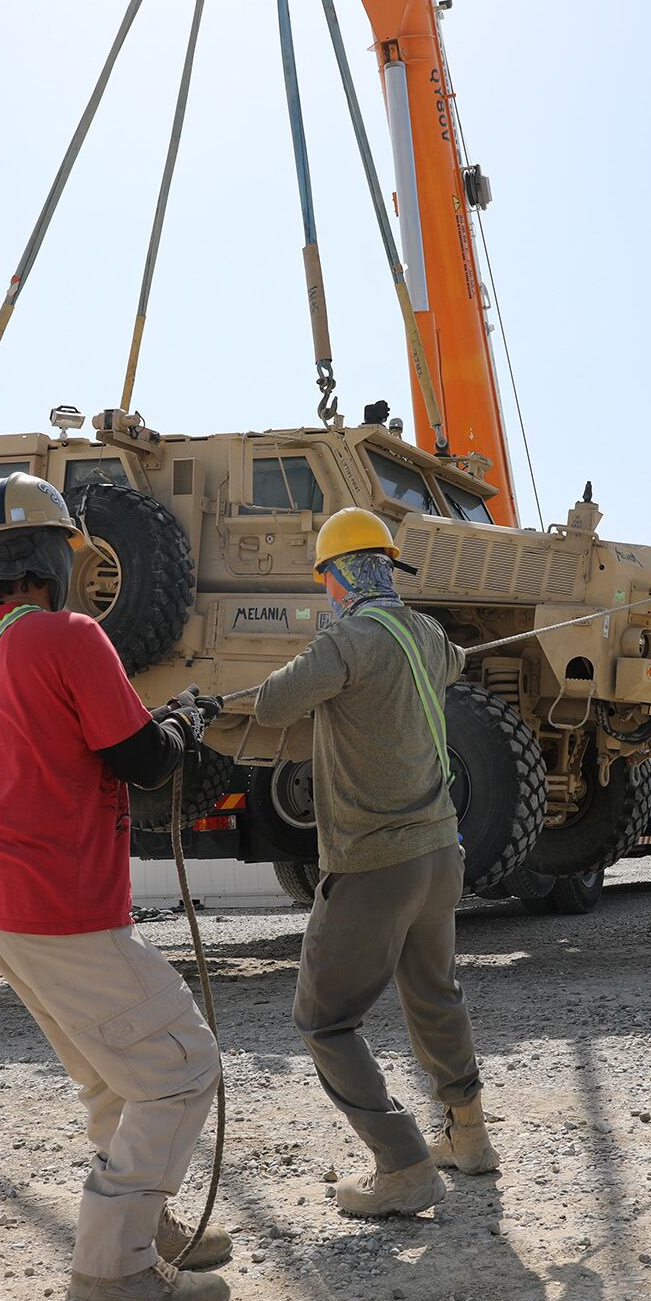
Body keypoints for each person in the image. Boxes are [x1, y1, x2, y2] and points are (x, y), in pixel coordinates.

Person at [0, 473, 231, 1301]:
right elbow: (142, 760)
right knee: (181, 1068)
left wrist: (163, 728)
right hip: (53, 898)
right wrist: (184, 723)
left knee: (113, 1077)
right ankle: (112, 1273)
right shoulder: (71, 637)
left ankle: (141, 1228)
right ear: (54, 558)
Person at [252, 507, 498, 1220]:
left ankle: (402, 1163)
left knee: (323, 1019)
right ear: (387, 567)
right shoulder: (426, 634)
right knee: (433, 994)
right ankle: (469, 1137)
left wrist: (320, 648)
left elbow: (271, 705)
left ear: (335, 577)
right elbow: (454, 661)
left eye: (326, 575)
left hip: (374, 863)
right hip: (438, 853)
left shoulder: (348, 639)